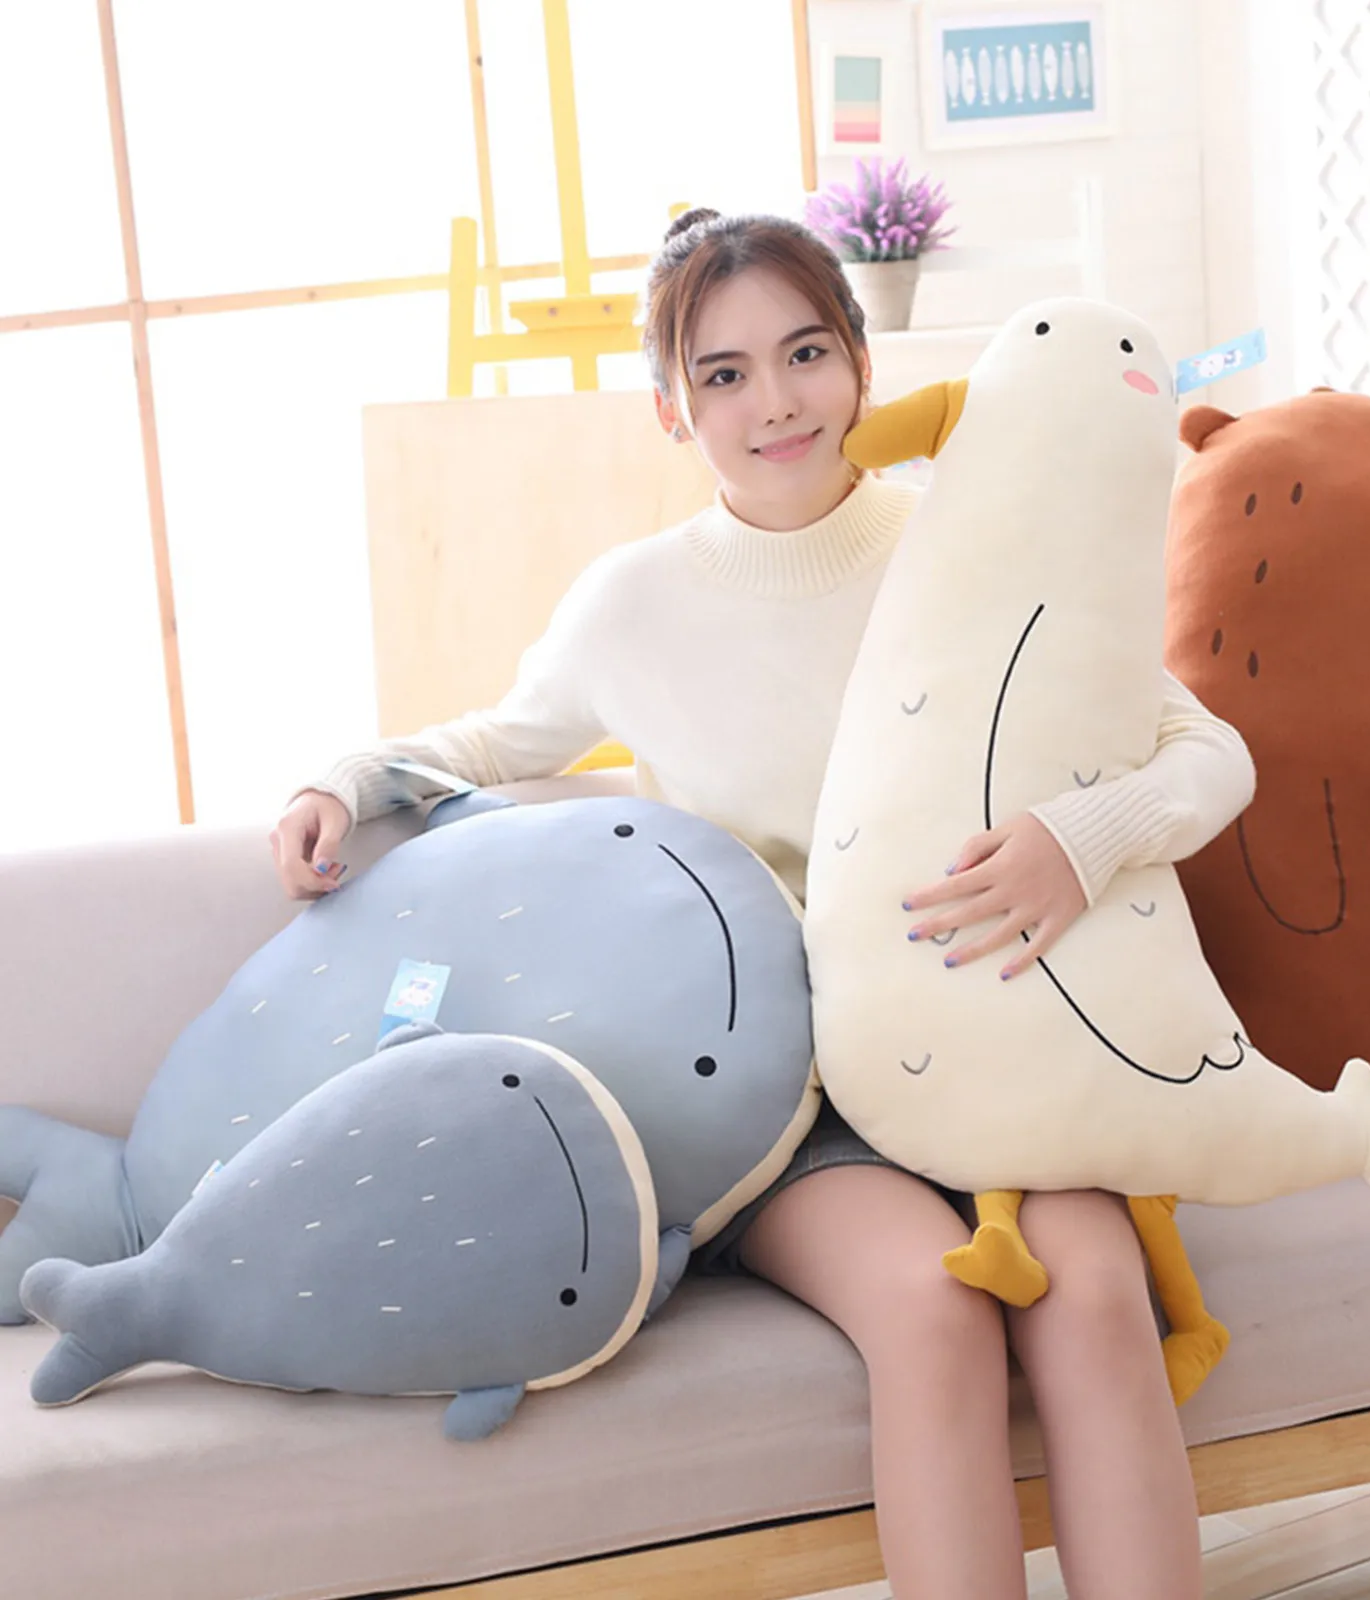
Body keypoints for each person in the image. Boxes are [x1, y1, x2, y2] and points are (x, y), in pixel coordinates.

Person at [269, 208, 1255, 1600]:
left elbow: (1209, 750)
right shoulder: (632, 605)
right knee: (934, 1307)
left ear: (860, 363)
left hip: (1000, 1052)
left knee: (1097, 1294)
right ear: (672, 409)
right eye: (723, 375)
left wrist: (1077, 842)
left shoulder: (973, 545)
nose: (775, 402)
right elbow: (489, 741)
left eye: (804, 353)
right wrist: (341, 783)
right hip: (790, 1104)